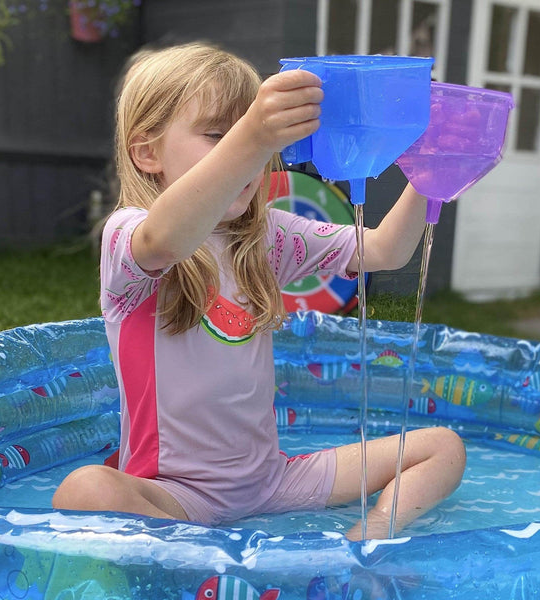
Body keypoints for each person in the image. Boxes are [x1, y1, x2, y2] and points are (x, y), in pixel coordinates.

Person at [52, 42, 466, 540]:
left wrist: (431, 172)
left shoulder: (266, 238)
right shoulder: (129, 236)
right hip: (176, 494)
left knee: (442, 447)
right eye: (217, 137)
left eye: (254, 140)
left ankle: (367, 540)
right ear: (147, 151)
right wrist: (252, 133)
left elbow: (383, 250)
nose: (248, 156)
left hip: (271, 482)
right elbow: (166, 238)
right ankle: (221, 562)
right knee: (86, 489)